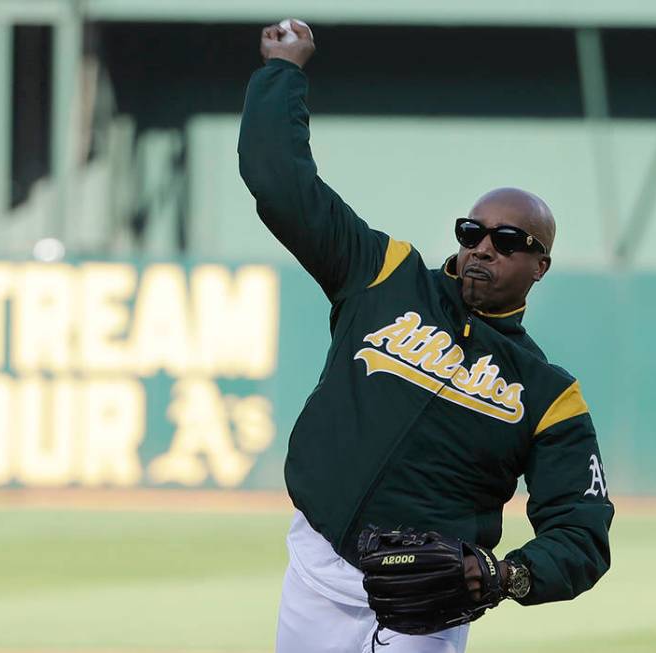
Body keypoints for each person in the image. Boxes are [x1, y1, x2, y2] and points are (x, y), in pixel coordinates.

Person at [238, 20, 614, 653]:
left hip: (430, 604)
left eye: (510, 241)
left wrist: (505, 576)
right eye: (473, 232)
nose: (484, 248)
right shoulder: (384, 273)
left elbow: (582, 533)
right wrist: (283, 71)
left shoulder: (549, 395)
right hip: (318, 568)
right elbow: (279, 181)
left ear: (539, 264)